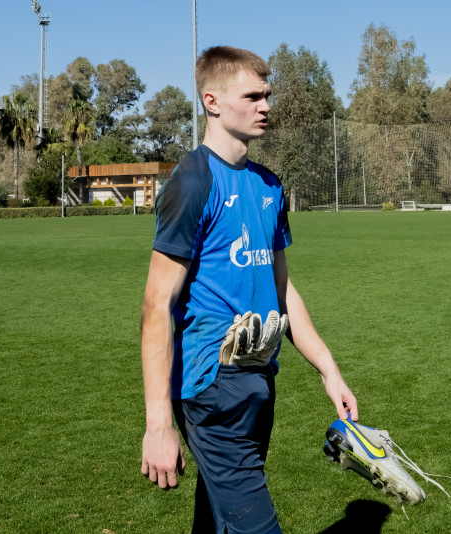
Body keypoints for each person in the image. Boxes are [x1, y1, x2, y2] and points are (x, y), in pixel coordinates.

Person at [140, 46, 358, 534]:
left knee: (219, 519)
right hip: (211, 384)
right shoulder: (193, 182)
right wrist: (158, 424)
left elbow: (282, 289)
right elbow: (157, 305)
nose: (266, 106)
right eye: (253, 95)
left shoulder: (268, 186)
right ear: (212, 101)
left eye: (268, 95)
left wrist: (329, 370)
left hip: (260, 379)